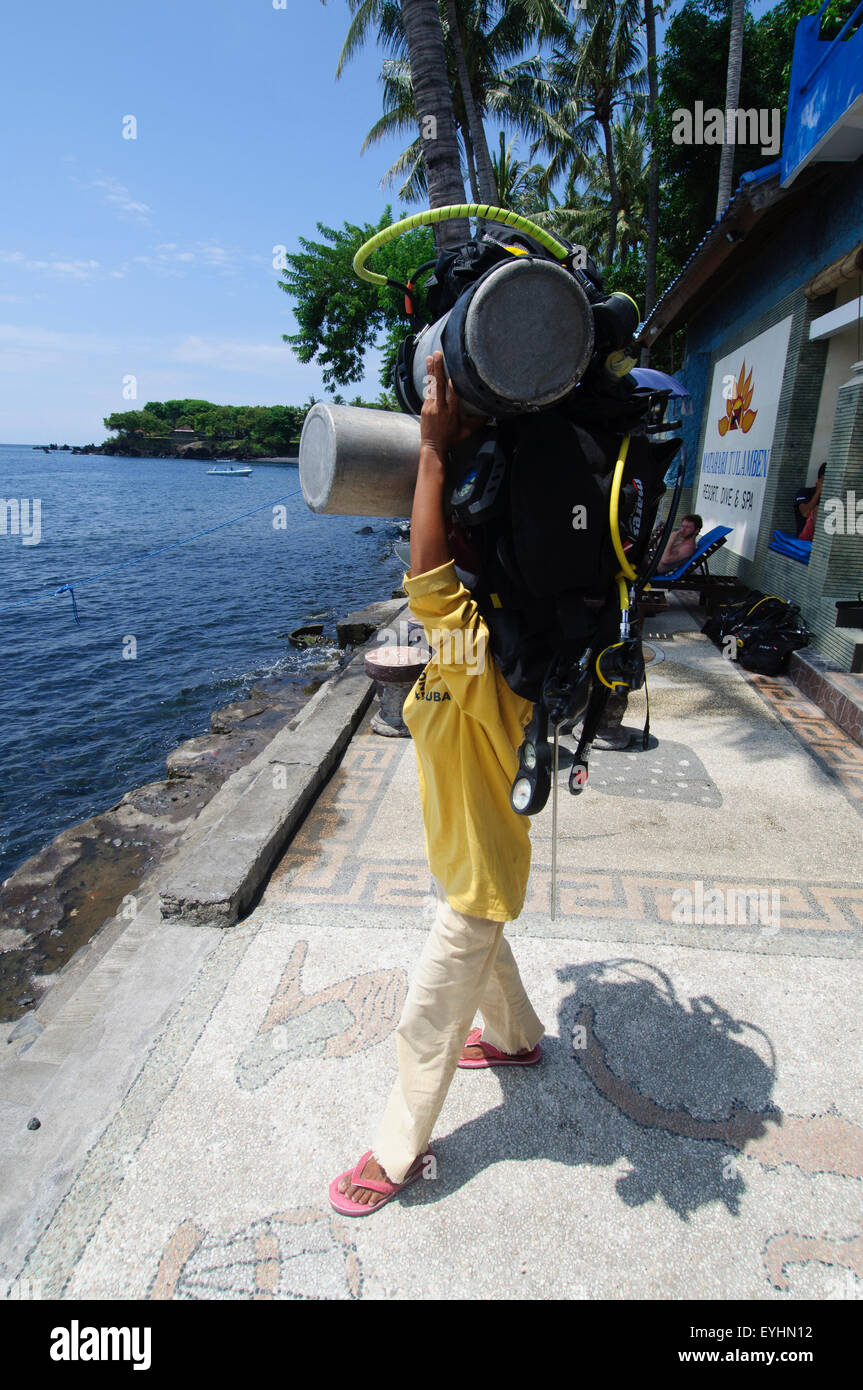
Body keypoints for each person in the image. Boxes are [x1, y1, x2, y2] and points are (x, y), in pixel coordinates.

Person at [329, 351, 545, 1215]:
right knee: (483, 943)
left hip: (477, 879)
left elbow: (427, 587)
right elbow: (429, 595)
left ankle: (393, 1154)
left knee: (428, 1016)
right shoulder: (487, 652)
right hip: (473, 863)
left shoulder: (476, 659)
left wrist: (428, 450)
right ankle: (519, 1040)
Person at [794, 462, 826, 539]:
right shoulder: (805, 492)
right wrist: (818, 492)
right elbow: (805, 513)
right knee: (817, 509)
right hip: (805, 536)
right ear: (822, 478)